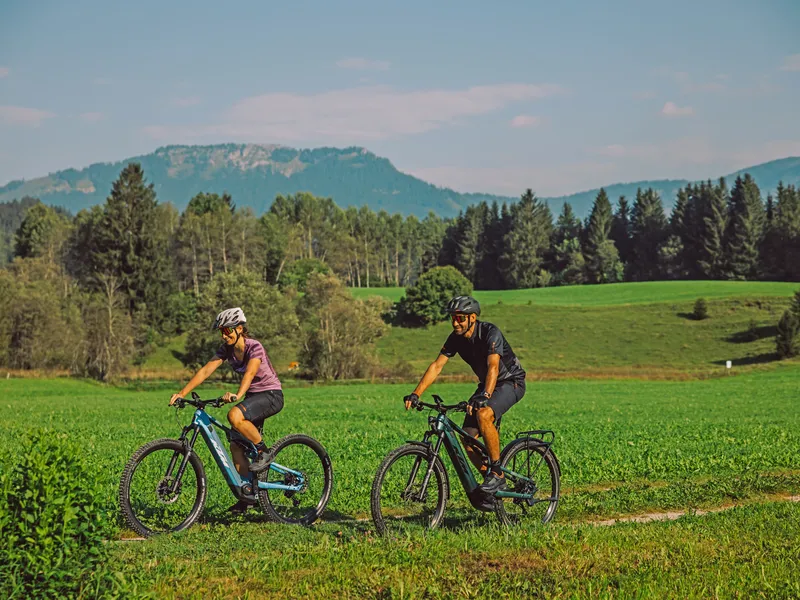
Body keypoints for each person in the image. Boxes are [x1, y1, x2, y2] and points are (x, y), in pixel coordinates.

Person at [403, 295, 526, 496]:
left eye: (460, 318)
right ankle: (492, 489)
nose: (455, 322)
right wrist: (416, 393)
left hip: (510, 382)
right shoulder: (455, 338)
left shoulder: (490, 332)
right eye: (452, 318)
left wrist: (485, 395)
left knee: (484, 414)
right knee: (468, 439)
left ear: (472, 318)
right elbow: (437, 366)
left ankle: (497, 474)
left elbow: (493, 367)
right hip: (486, 385)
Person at [169, 307, 284, 513]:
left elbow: (250, 373)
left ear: (240, 329)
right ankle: (247, 495)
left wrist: (238, 395)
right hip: (253, 397)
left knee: (234, 415)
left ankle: (264, 452)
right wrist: (182, 393)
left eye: (228, 331)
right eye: (221, 331)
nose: (224, 335)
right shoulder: (226, 349)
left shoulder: (254, 347)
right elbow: (206, 370)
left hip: (270, 394)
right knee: (236, 447)